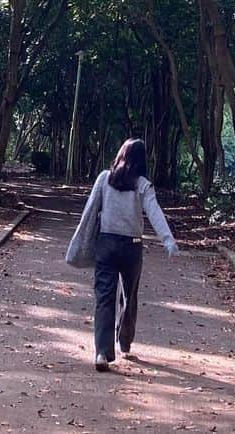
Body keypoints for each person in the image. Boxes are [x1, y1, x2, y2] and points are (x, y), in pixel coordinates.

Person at [67, 137, 179, 371]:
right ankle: (124, 341)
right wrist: (168, 240)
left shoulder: (103, 179)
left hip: (106, 244)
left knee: (104, 298)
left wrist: (81, 241)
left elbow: (89, 211)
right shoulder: (143, 185)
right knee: (129, 296)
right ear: (141, 161)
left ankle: (102, 352)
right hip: (132, 247)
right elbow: (155, 213)